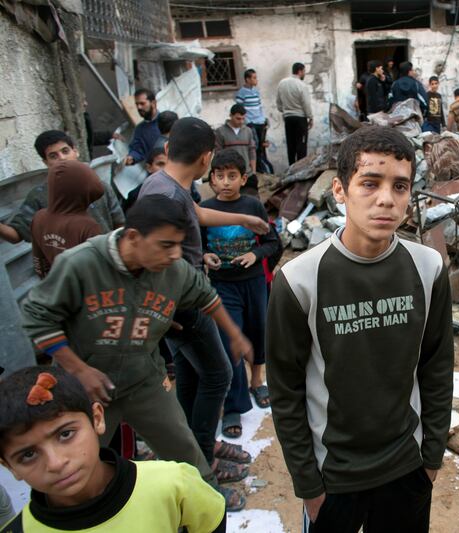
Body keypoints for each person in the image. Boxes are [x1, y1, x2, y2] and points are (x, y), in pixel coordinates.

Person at [267, 126, 454, 533]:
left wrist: (432, 459)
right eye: (370, 183)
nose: (386, 199)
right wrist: (307, 485)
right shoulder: (299, 281)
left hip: (408, 468)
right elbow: (285, 391)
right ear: (339, 190)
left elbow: (437, 368)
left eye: (400, 186)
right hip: (334, 478)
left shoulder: (429, 268)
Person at [20, 195, 255, 510]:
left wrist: (234, 334)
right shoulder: (80, 264)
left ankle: (206, 499)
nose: (174, 254)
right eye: (165, 245)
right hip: (87, 391)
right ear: (133, 237)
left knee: (183, 448)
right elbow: (37, 317)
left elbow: (205, 295)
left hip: (143, 379)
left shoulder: (174, 270)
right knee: (77, 465)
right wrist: (78, 370)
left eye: (178, 245)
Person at [136, 117, 269, 511]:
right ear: (206, 157)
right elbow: (150, 256)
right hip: (185, 303)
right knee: (219, 374)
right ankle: (201, 467)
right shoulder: (165, 196)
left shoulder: (170, 186)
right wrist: (165, 309)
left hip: (182, 300)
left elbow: (197, 213)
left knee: (193, 376)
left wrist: (244, 218)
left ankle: (195, 442)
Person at [0, 365, 227, 531]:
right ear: (9, 466)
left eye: (65, 434)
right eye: (28, 454)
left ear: (97, 419)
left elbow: (211, 519)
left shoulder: (172, 483)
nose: (56, 463)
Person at [201, 149, 283, 438]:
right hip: (223, 285)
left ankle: (257, 382)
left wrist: (254, 253)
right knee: (230, 339)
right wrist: (205, 256)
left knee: (258, 331)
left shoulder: (252, 206)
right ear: (211, 179)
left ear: (243, 178)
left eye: (231, 176)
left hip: (254, 282)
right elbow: (198, 247)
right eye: (219, 176)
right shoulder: (204, 209)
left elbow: (273, 242)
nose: (225, 182)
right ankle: (234, 404)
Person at [0, 130, 124, 244]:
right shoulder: (40, 196)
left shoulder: (101, 187)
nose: (62, 158)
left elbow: (119, 224)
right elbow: (16, 234)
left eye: (65, 151)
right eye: (53, 156)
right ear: (46, 162)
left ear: (75, 151)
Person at [30, 161, 104, 278]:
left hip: (57, 288)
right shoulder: (87, 225)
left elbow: (39, 263)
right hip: (83, 291)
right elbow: (98, 272)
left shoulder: (39, 218)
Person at [235, 69, 273, 174]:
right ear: (247, 79)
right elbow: (240, 110)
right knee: (254, 147)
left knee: (261, 147)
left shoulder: (256, 91)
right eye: (254, 78)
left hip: (260, 122)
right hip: (251, 123)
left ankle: (263, 169)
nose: (256, 80)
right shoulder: (241, 93)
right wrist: (246, 122)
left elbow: (259, 107)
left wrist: (263, 119)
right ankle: (257, 169)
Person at [276, 62, 313, 165]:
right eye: (304, 71)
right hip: (300, 119)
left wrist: (286, 111)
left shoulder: (282, 83)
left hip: (288, 118)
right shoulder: (301, 85)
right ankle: (301, 169)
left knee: (290, 146)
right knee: (301, 145)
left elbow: (278, 103)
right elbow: (306, 103)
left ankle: (291, 169)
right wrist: (310, 117)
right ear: (300, 71)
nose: (304, 74)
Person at [214, 103, 257, 177]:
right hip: (229, 174)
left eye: (243, 119)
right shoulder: (220, 132)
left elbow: (252, 152)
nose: (241, 121)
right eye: (238, 118)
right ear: (231, 116)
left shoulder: (248, 131)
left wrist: (253, 171)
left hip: (247, 173)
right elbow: (218, 154)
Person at [124, 89, 160, 166]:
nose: (139, 107)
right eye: (137, 104)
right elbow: (137, 150)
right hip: (155, 172)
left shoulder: (167, 120)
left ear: (153, 103)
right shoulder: (140, 129)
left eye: (142, 103)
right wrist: (132, 158)